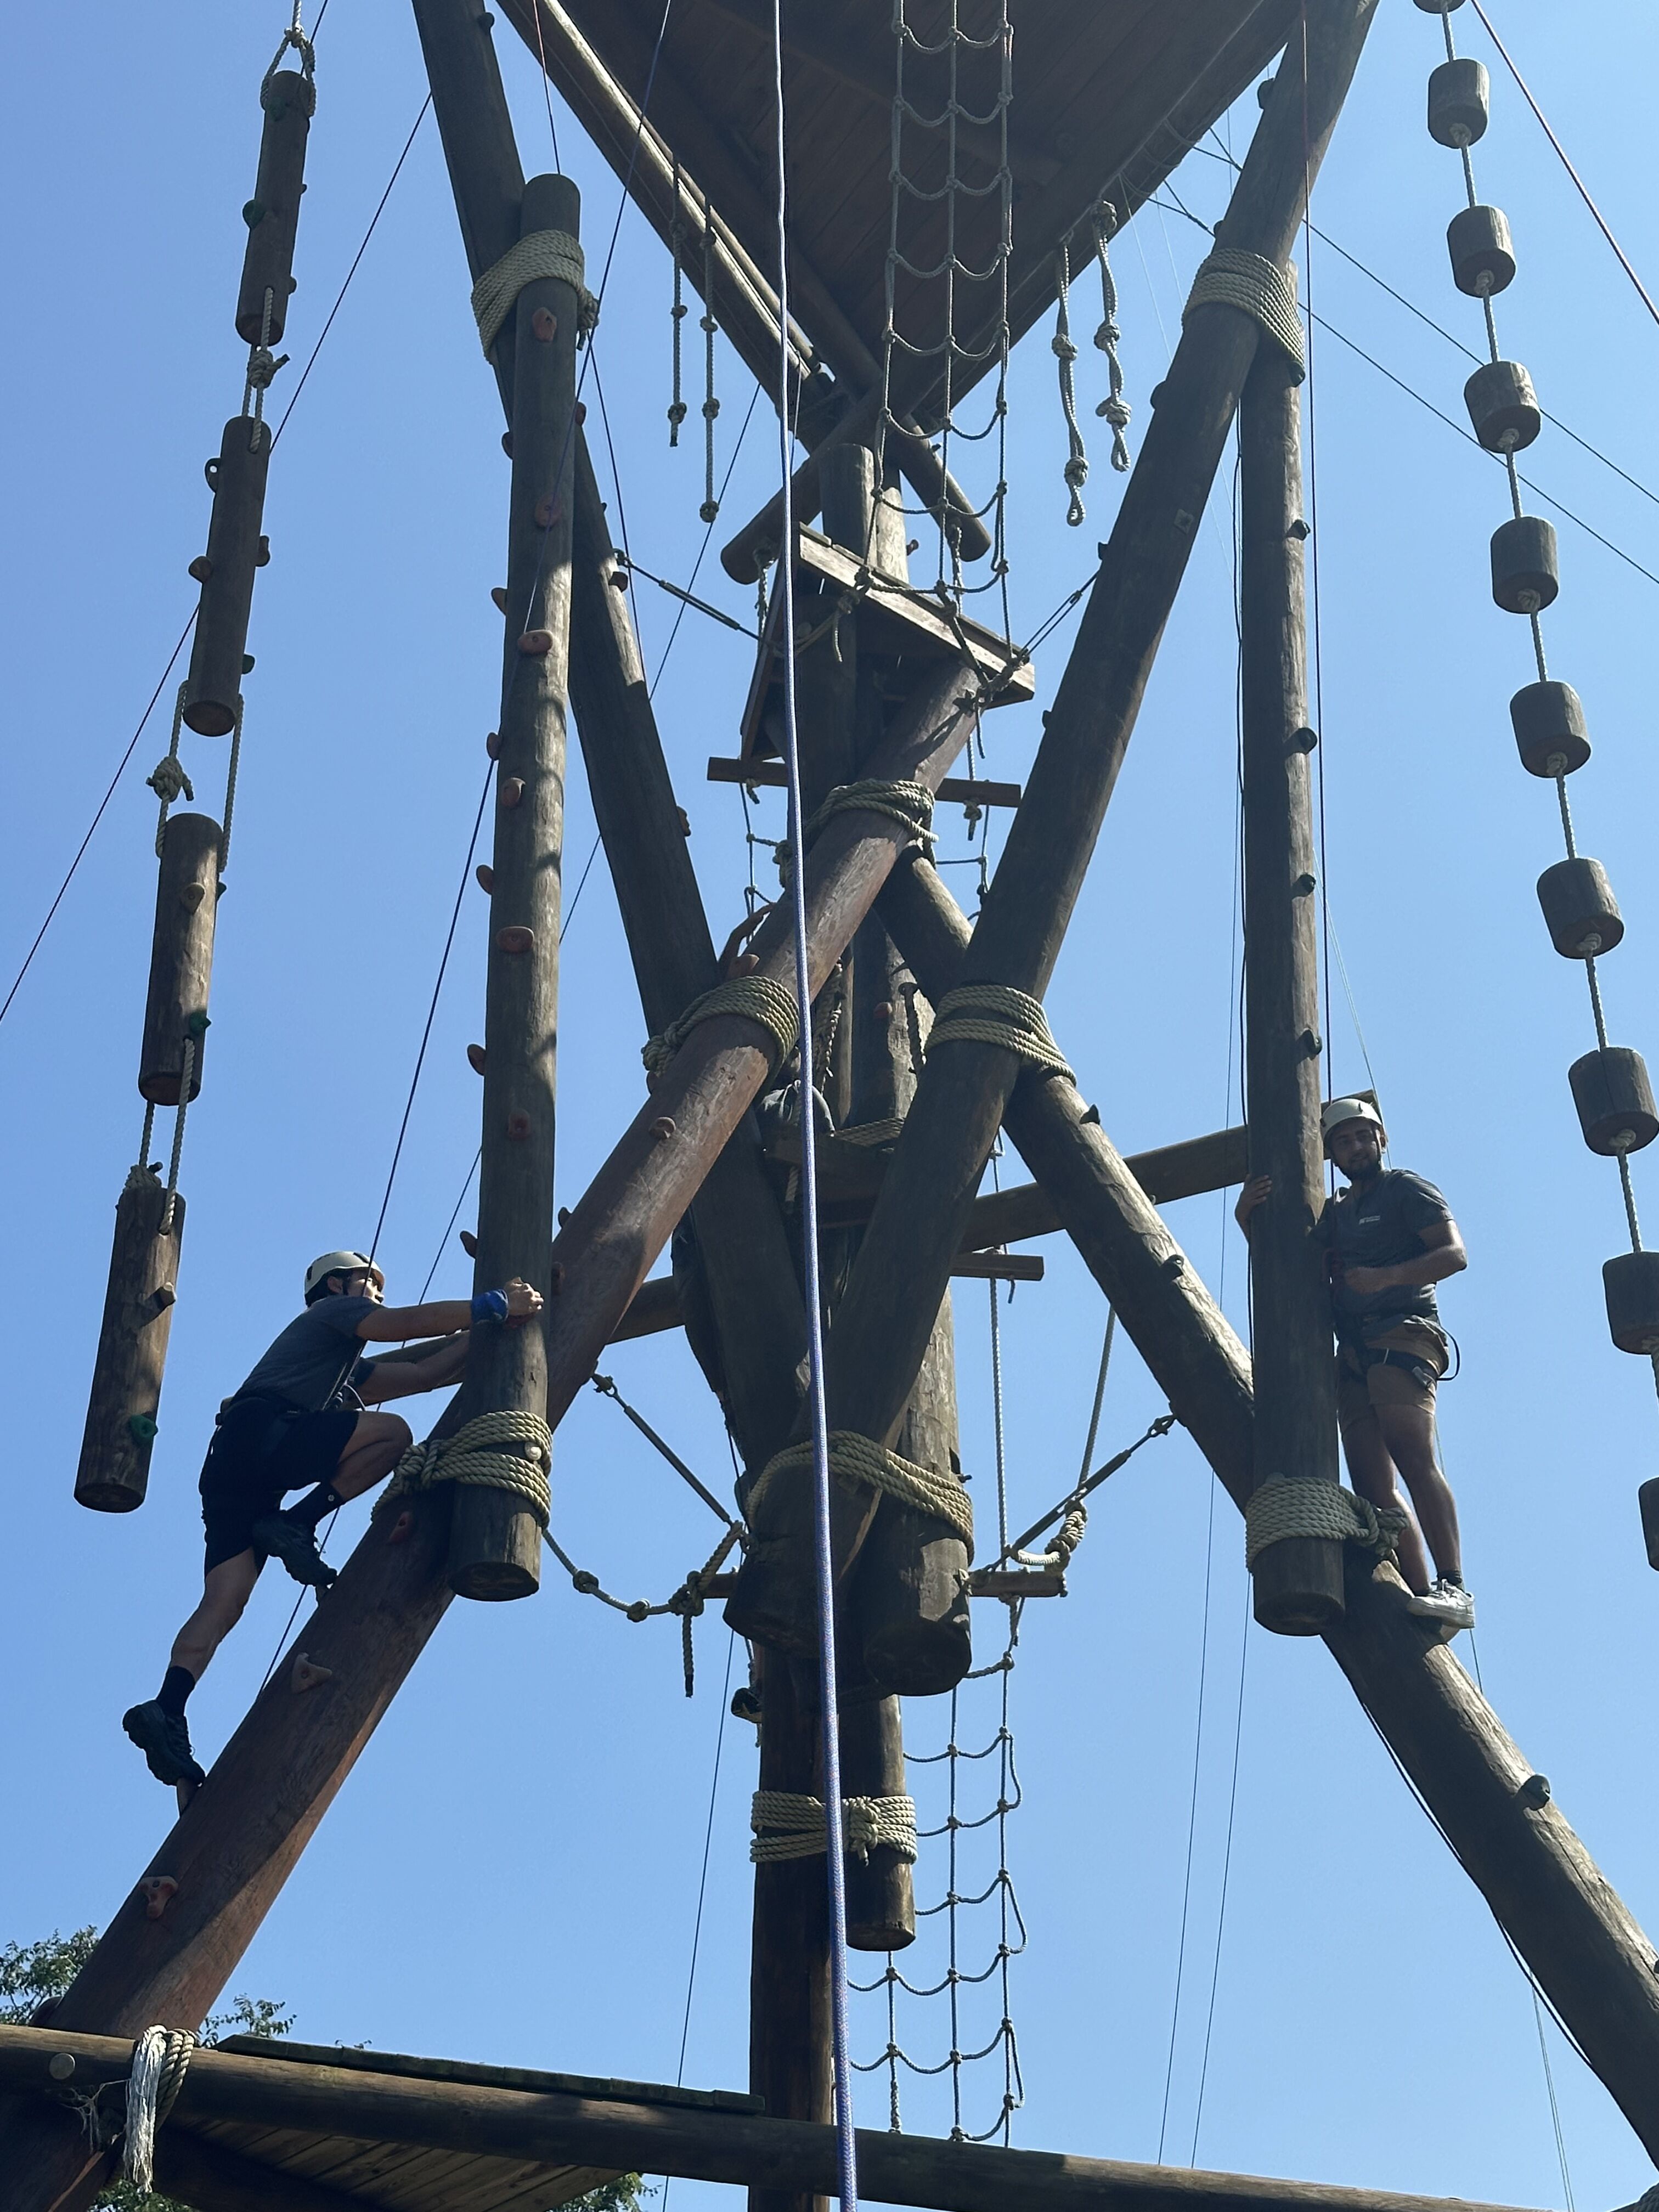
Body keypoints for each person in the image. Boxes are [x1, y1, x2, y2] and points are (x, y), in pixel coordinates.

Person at [122, 1249, 543, 1787]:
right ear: (338, 1286)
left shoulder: (333, 1370)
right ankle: (298, 1522)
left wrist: (490, 1327)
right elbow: (405, 1327)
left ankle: (168, 1707)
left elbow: (424, 1373)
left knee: (225, 1602)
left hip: (236, 1470)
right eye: (371, 1284)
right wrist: (491, 1303)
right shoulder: (329, 1316)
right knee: (393, 1435)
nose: (378, 1295)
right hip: (265, 1436)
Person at [1234, 1097, 1474, 1633]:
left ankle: (1454, 1585)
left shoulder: (1405, 1190)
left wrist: (1385, 1279)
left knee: (1410, 1450)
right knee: (1372, 1483)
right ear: (1331, 1153)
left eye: (1365, 1137)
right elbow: (1297, 1269)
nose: (1357, 1147)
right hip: (1356, 1351)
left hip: (1402, 1331)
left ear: (1382, 1140)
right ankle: (1420, 1596)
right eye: (1344, 1141)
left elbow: (1453, 1253)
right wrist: (1249, 1218)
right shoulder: (1335, 1214)